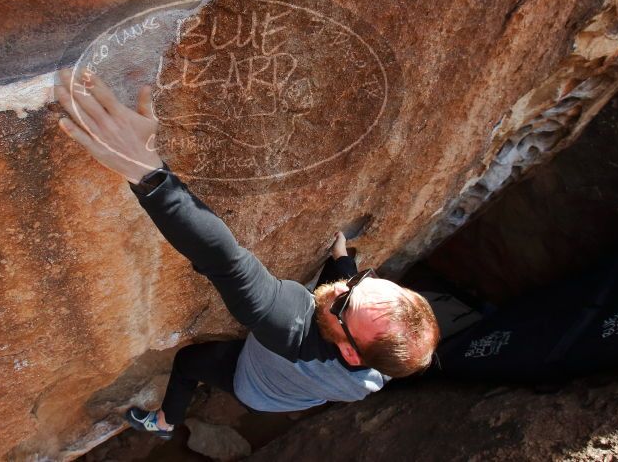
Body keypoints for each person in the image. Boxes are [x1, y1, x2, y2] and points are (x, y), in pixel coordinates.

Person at [53, 69, 441, 440]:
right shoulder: (383, 365)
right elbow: (348, 306)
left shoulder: (286, 324)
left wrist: (148, 171)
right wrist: (343, 263)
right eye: (360, 282)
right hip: (300, 391)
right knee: (341, 299)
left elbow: (224, 259)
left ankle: (166, 422)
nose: (342, 288)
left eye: (344, 304)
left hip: (256, 387)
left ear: (350, 354)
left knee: (189, 363)